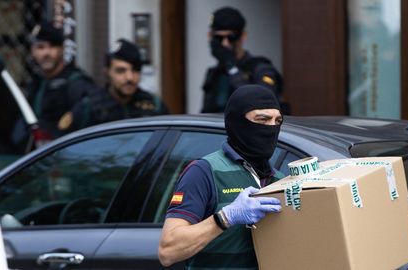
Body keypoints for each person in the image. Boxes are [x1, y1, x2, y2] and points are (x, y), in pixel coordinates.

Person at [158, 84, 285, 269]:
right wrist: (225, 218)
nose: (271, 128)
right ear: (237, 122)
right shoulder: (203, 172)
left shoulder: (280, 181)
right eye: (262, 120)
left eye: (277, 121)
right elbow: (168, 251)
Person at [64, 38, 169, 131]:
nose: (129, 78)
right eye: (121, 71)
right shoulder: (89, 108)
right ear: (107, 72)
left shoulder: (154, 107)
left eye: (135, 70)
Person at [201, 6, 288, 114]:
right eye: (219, 38)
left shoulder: (260, 69)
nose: (225, 44)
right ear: (210, 37)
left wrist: (231, 67)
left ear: (243, 36)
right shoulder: (214, 73)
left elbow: (261, 105)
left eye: (231, 37)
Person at [26, 21, 99, 145]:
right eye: (40, 47)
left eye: (52, 47)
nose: (46, 53)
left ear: (62, 49)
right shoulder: (36, 83)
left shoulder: (76, 82)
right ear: (33, 51)